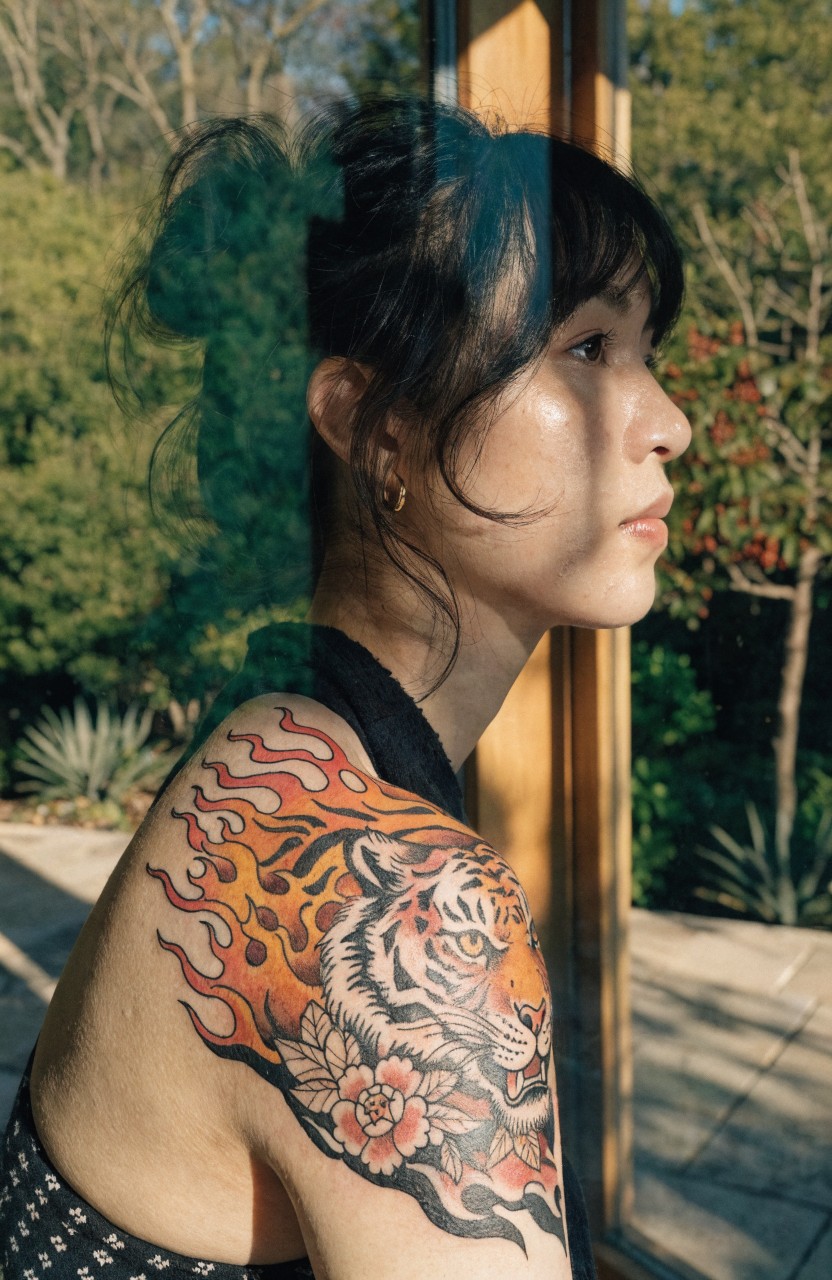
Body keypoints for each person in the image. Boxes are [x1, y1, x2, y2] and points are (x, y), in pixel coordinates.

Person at [0, 97, 690, 1280]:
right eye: (585, 349)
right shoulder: (390, 887)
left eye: (645, 353)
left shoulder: (270, 730)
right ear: (373, 429)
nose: (669, 422)